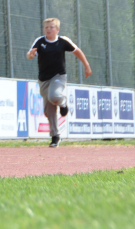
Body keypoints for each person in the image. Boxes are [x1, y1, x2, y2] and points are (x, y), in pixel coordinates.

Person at [26, 17, 93, 147]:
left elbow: (77, 51)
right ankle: (55, 136)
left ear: (57, 29)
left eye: (51, 27)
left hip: (58, 76)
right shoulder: (40, 41)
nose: (48, 29)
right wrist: (31, 55)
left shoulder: (63, 41)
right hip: (43, 79)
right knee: (49, 111)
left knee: (54, 96)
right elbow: (30, 54)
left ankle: (63, 103)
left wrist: (87, 66)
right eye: (46, 27)